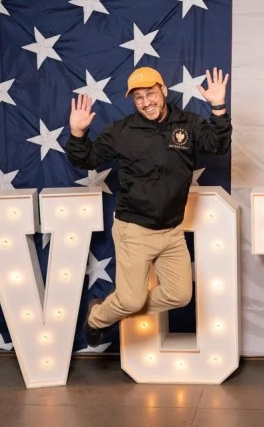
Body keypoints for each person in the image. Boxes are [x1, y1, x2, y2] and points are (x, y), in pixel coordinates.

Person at [64, 66, 232, 347]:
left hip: (171, 231)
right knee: (131, 299)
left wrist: (217, 107)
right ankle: (97, 318)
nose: (146, 102)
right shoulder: (122, 131)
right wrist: (77, 133)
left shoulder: (187, 124)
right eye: (138, 97)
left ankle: (114, 311)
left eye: (151, 93)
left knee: (180, 296)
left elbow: (217, 145)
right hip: (135, 230)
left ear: (163, 90)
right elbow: (87, 159)